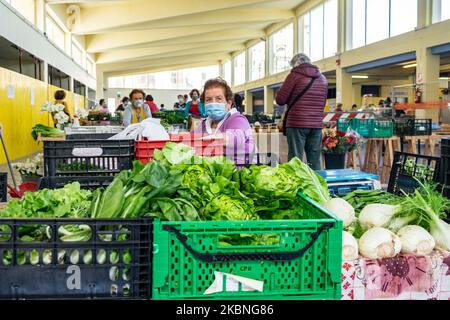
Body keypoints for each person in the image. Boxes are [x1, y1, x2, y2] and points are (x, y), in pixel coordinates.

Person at [275, 53, 328, 170]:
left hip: (297, 123)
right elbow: (323, 103)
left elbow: (280, 100)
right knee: (315, 160)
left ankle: (295, 187)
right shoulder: (322, 78)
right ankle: (317, 186)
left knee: (295, 160)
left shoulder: (294, 75)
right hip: (316, 125)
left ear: (296, 64)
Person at [193, 78, 256, 164]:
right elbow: (190, 141)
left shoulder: (237, 119)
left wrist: (207, 140)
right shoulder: (203, 124)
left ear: (229, 104)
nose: (213, 103)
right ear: (204, 104)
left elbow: (236, 137)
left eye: (219, 98)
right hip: (217, 173)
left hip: (244, 171)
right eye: (208, 99)